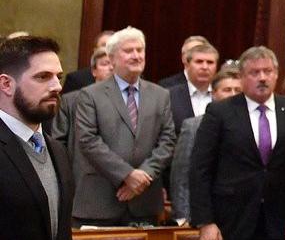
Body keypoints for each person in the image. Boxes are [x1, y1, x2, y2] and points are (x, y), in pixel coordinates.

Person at [188, 46, 285, 240]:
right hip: (231, 224)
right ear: (242, 77)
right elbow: (200, 169)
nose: (262, 78)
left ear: (276, 74)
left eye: (268, 71)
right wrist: (205, 222)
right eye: (255, 73)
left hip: (280, 223)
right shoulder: (220, 112)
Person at [0, 36, 78, 240]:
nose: (57, 87)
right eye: (43, 77)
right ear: (6, 84)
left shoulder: (57, 151)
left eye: (58, 76)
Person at [72, 26, 175, 225]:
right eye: (128, 51)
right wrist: (127, 175)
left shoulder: (160, 94)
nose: (136, 56)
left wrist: (142, 178)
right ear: (111, 59)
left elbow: (168, 140)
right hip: (101, 202)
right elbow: (88, 141)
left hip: (145, 202)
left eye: (140, 50)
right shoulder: (90, 95)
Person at [170, 67, 242, 224]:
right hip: (204, 213)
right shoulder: (193, 126)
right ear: (214, 94)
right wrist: (183, 218)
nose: (233, 94)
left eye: (238, 90)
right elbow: (181, 177)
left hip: (240, 215)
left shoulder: (253, 125)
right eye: (227, 90)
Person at [166, 41, 218, 129]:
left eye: (210, 62)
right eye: (199, 62)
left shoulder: (223, 95)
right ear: (187, 65)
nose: (205, 67)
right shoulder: (169, 96)